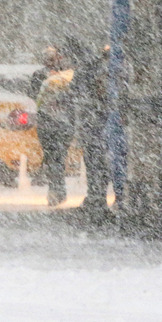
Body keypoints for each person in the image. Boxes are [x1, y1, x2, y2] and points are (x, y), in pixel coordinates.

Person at [73, 45, 114, 222]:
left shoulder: (90, 70)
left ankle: (95, 198)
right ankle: (98, 198)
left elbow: (75, 92)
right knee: (101, 164)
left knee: (94, 164)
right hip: (101, 127)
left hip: (93, 126)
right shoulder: (109, 71)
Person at [35, 45, 76, 206]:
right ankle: (57, 191)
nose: (51, 60)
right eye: (48, 57)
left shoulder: (67, 76)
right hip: (55, 123)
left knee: (55, 158)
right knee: (55, 158)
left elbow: (35, 98)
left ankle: (56, 191)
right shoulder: (42, 75)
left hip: (54, 123)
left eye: (54, 57)